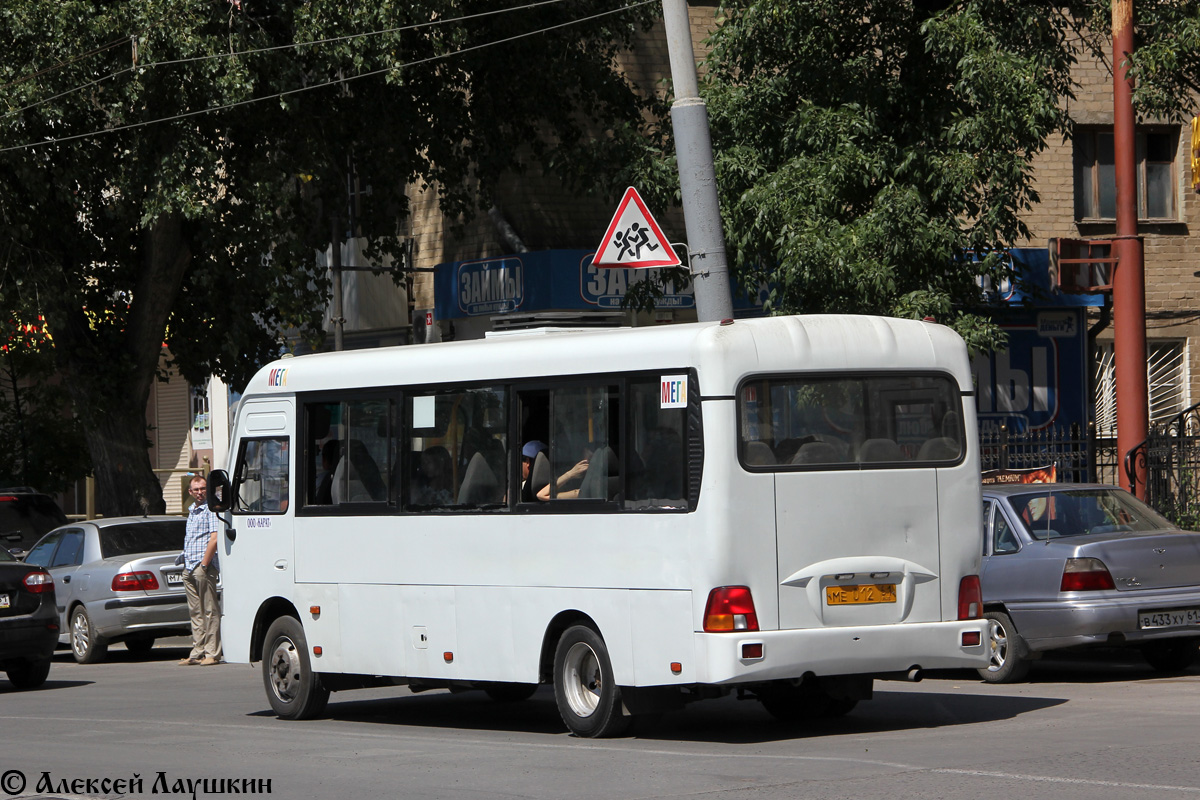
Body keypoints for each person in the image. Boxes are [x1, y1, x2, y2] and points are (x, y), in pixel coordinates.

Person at [180, 475, 223, 666]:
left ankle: (212, 652)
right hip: (189, 565)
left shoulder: (211, 509)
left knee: (209, 609)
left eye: (203, 488)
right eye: (196, 489)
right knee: (195, 611)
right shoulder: (192, 511)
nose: (199, 492)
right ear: (190, 492)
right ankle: (197, 651)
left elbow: (214, 538)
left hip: (202, 566)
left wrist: (204, 565)